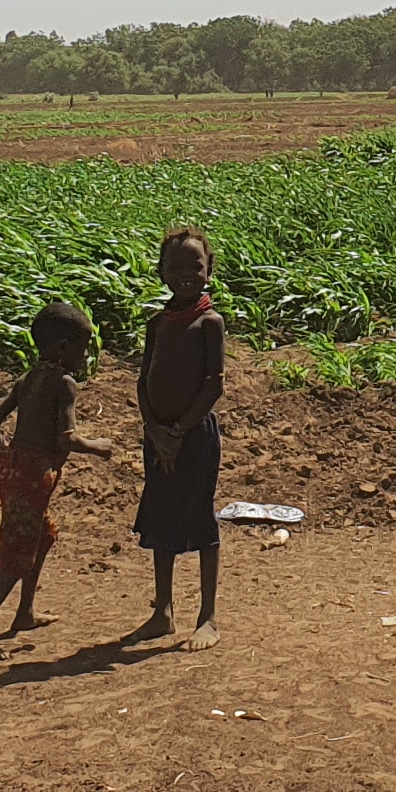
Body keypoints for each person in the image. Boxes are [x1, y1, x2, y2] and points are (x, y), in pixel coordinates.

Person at [0, 302, 106, 652]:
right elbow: (66, 438)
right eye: (84, 348)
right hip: (34, 475)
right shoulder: (65, 383)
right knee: (19, 554)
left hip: (16, 469)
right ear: (63, 347)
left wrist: (3, 453)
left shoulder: (27, 378)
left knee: (42, 536)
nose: (86, 356)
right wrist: (99, 447)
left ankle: (25, 611)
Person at [133, 224, 228, 645]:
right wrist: (154, 430)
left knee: (200, 518)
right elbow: (142, 380)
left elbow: (213, 386)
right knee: (161, 518)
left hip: (194, 437)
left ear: (209, 270)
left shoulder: (210, 323)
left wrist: (177, 430)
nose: (187, 274)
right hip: (158, 438)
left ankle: (207, 616)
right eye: (176, 267)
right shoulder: (158, 324)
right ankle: (163, 610)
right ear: (162, 272)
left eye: (196, 266)